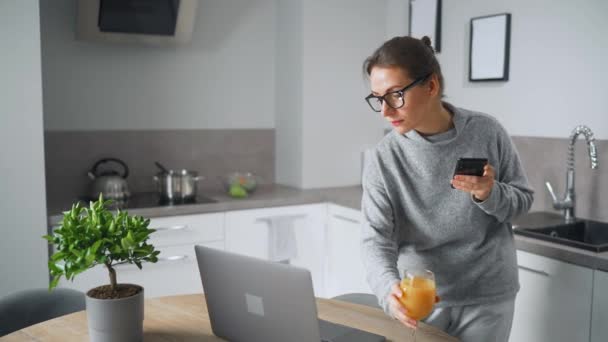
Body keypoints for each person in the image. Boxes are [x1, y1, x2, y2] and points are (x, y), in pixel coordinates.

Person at [360, 36, 534, 342]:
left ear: (431, 86)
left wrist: (489, 193)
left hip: (489, 298)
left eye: (396, 95)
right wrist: (390, 292)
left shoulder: (486, 131)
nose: (386, 111)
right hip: (420, 302)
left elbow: (522, 203)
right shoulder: (384, 158)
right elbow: (375, 240)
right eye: (377, 97)